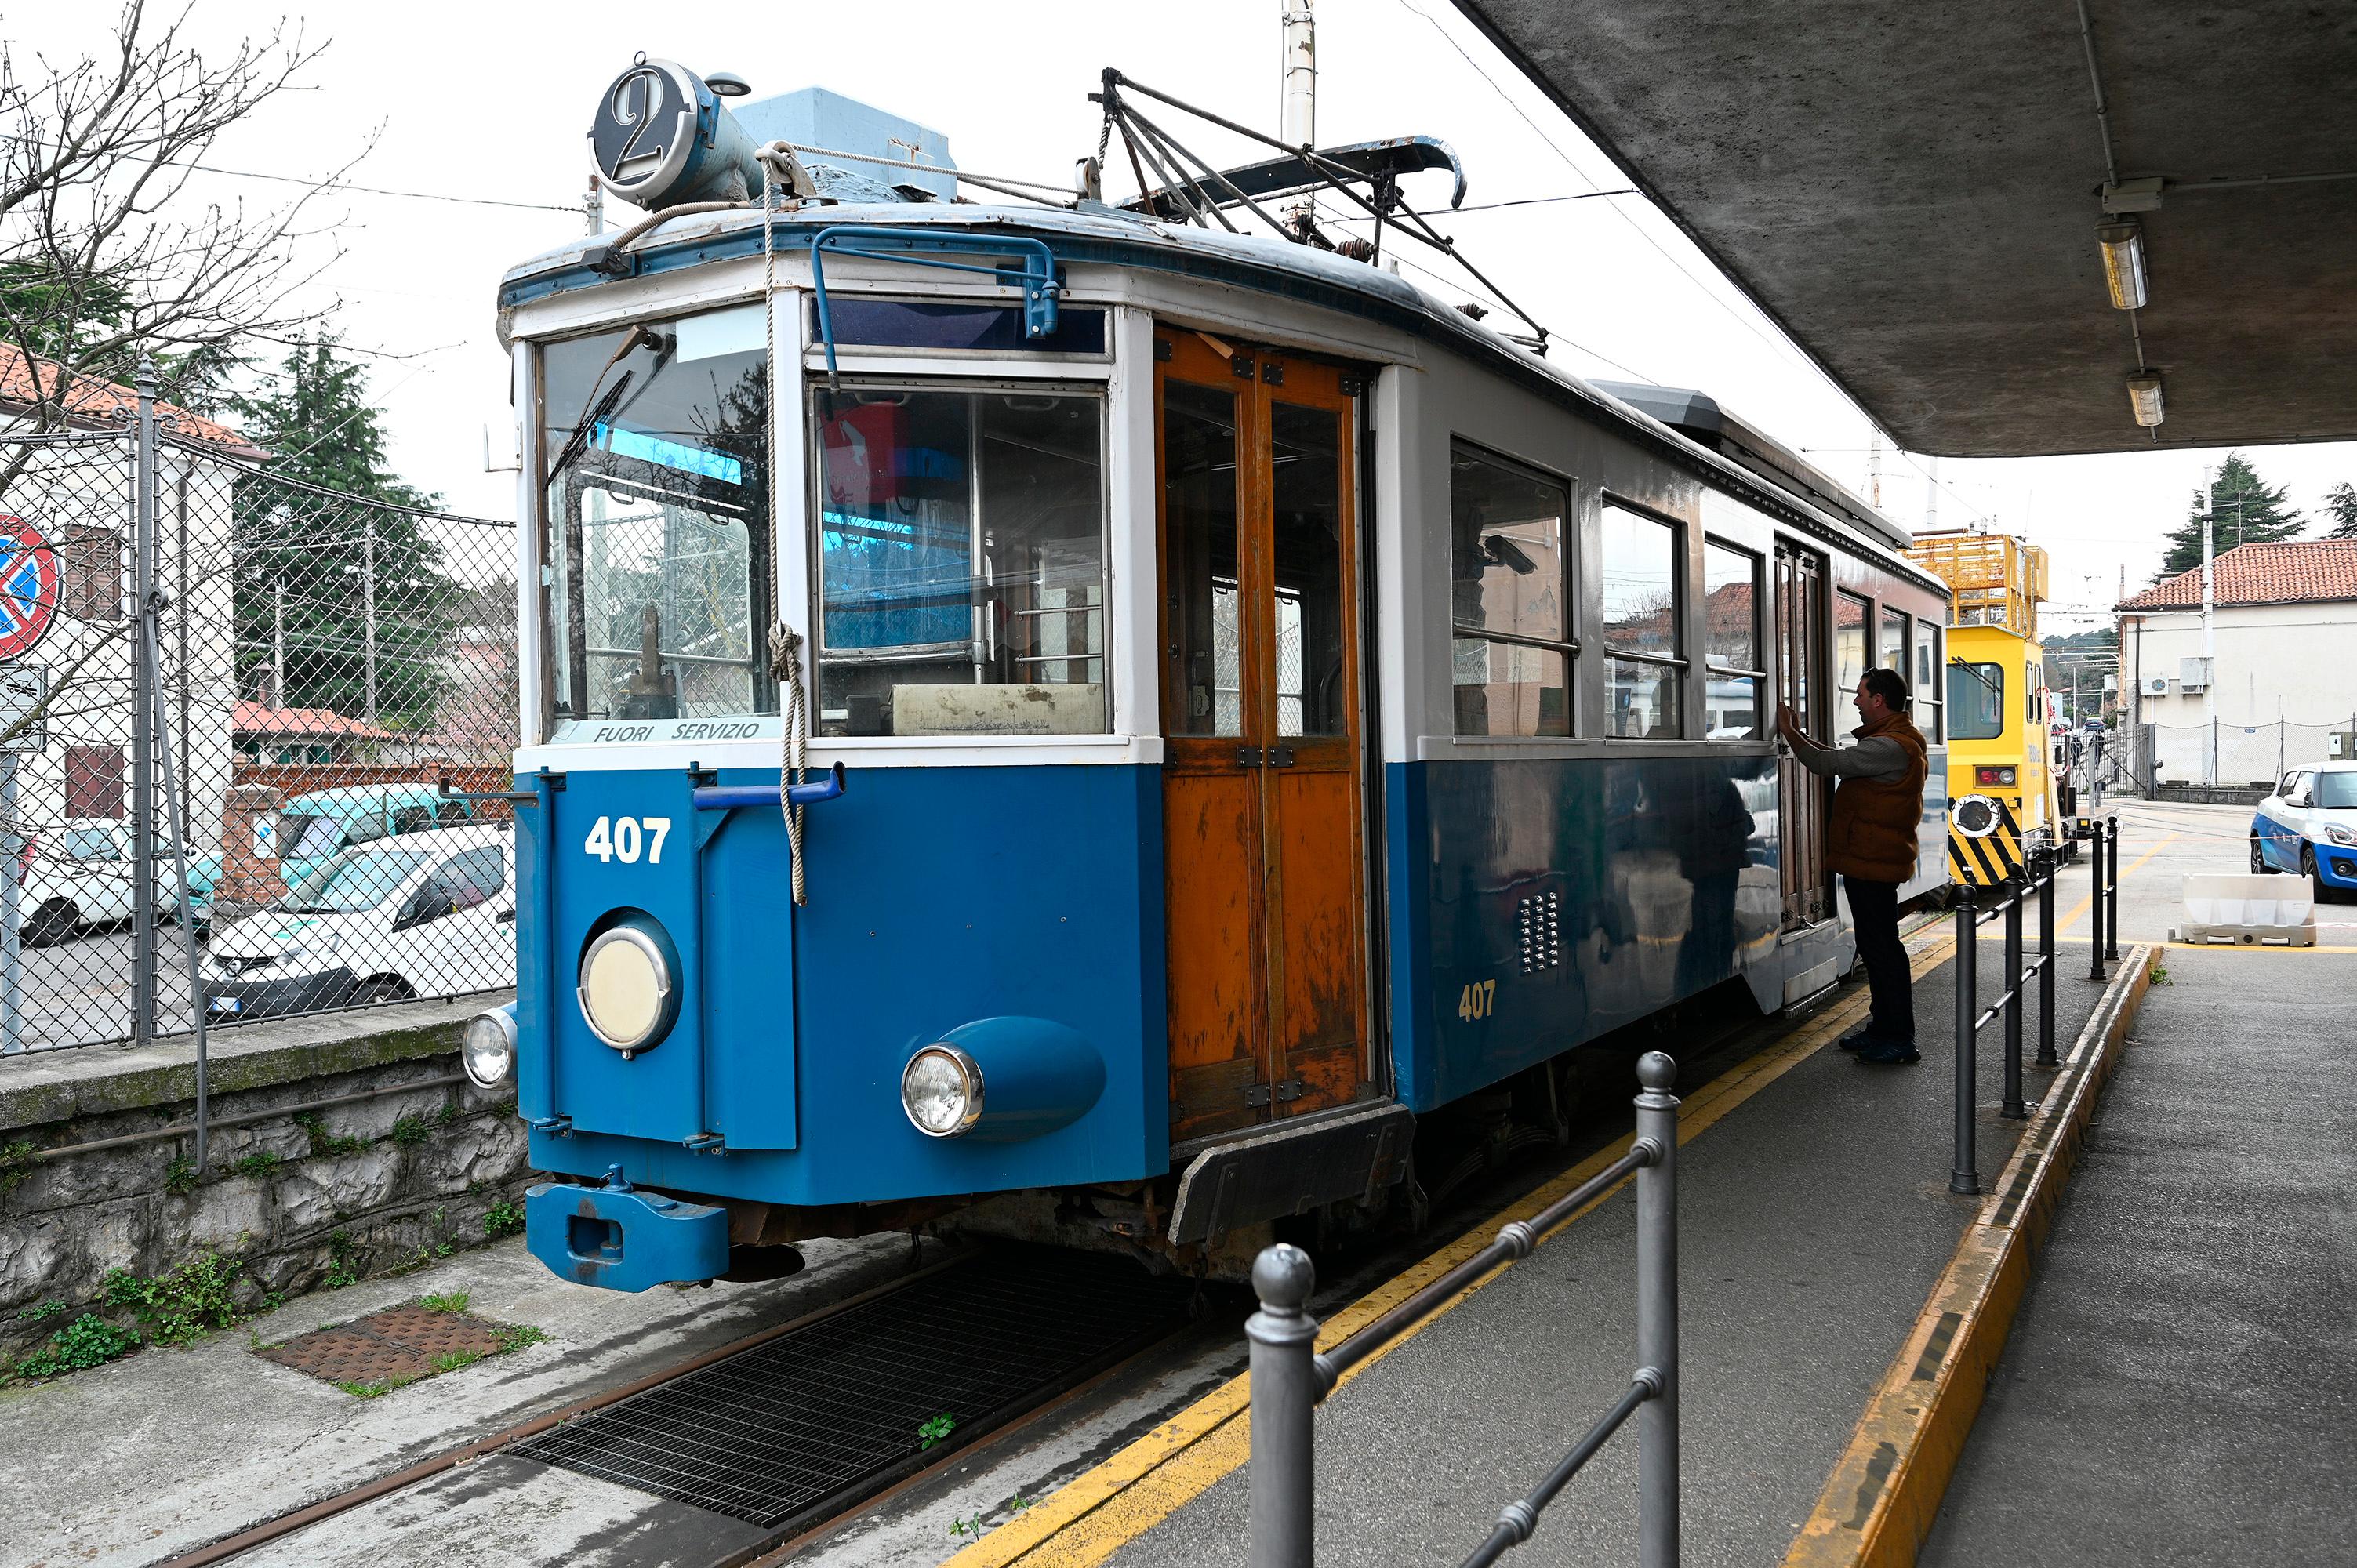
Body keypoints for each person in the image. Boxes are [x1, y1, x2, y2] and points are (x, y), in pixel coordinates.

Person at [1776, 666, 1930, 1064]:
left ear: (1879, 700)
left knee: (1881, 950)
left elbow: (1825, 764)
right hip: (1871, 859)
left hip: (1874, 863)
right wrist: (1800, 734)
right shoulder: (1893, 741)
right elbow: (1832, 756)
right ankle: (1883, 1028)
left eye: (1861, 695)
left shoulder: (1891, 747)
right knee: (1876, 947)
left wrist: (1789, 731)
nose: (1857, 701)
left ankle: (1897, 1036)